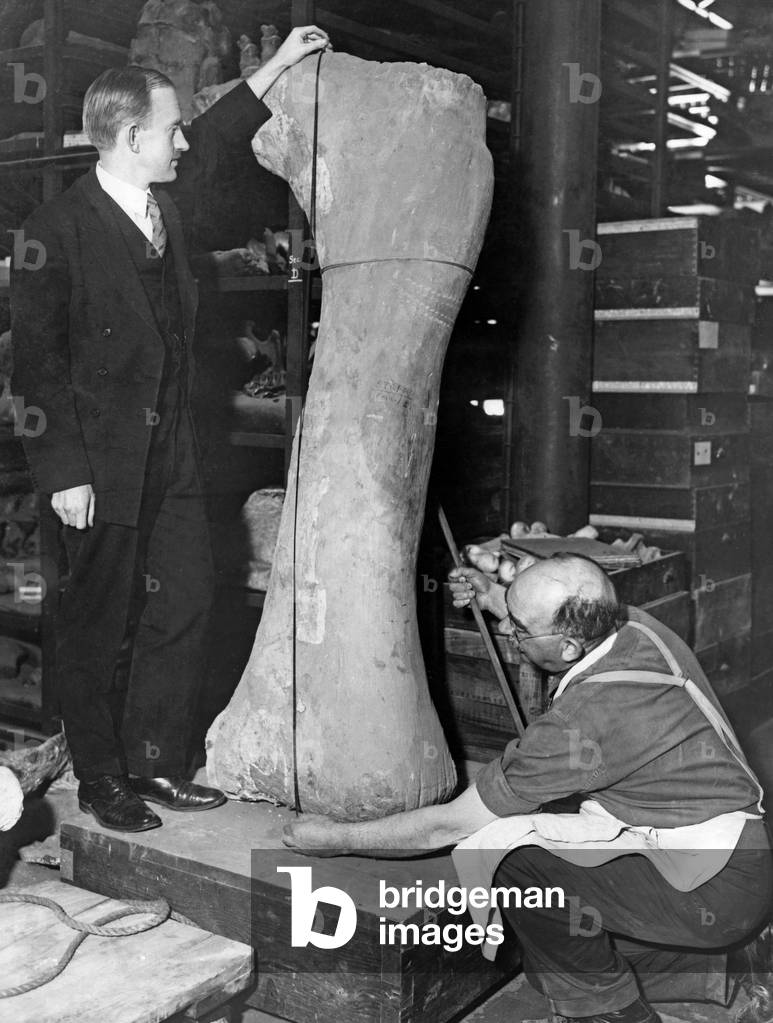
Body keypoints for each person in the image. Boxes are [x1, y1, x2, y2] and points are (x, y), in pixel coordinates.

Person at [10, 25, 330, 834]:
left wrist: (283, 60)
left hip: (176, 455)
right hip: (100, 467)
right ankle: (101, 775)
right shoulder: (57, 228)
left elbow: (220, 140)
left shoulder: (168, 209)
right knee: (96, 621)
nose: (181, 140)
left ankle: (155, 759)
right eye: (169, 129)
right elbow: (36, 369)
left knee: (184, 600)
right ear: (129, 138)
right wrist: (63, 474)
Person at [283, 553, 772, 1023]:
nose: (508, 633)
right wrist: (496, 595)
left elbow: (445, 827)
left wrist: (333, 837)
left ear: (568, 648)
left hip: (714, 884)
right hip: (739, 853)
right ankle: (729, 963)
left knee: (512, 864)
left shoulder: (582, 724)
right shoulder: (636, 626)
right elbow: (555, 627)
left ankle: (609, 1013)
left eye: (519, 628)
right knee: (560, 949)